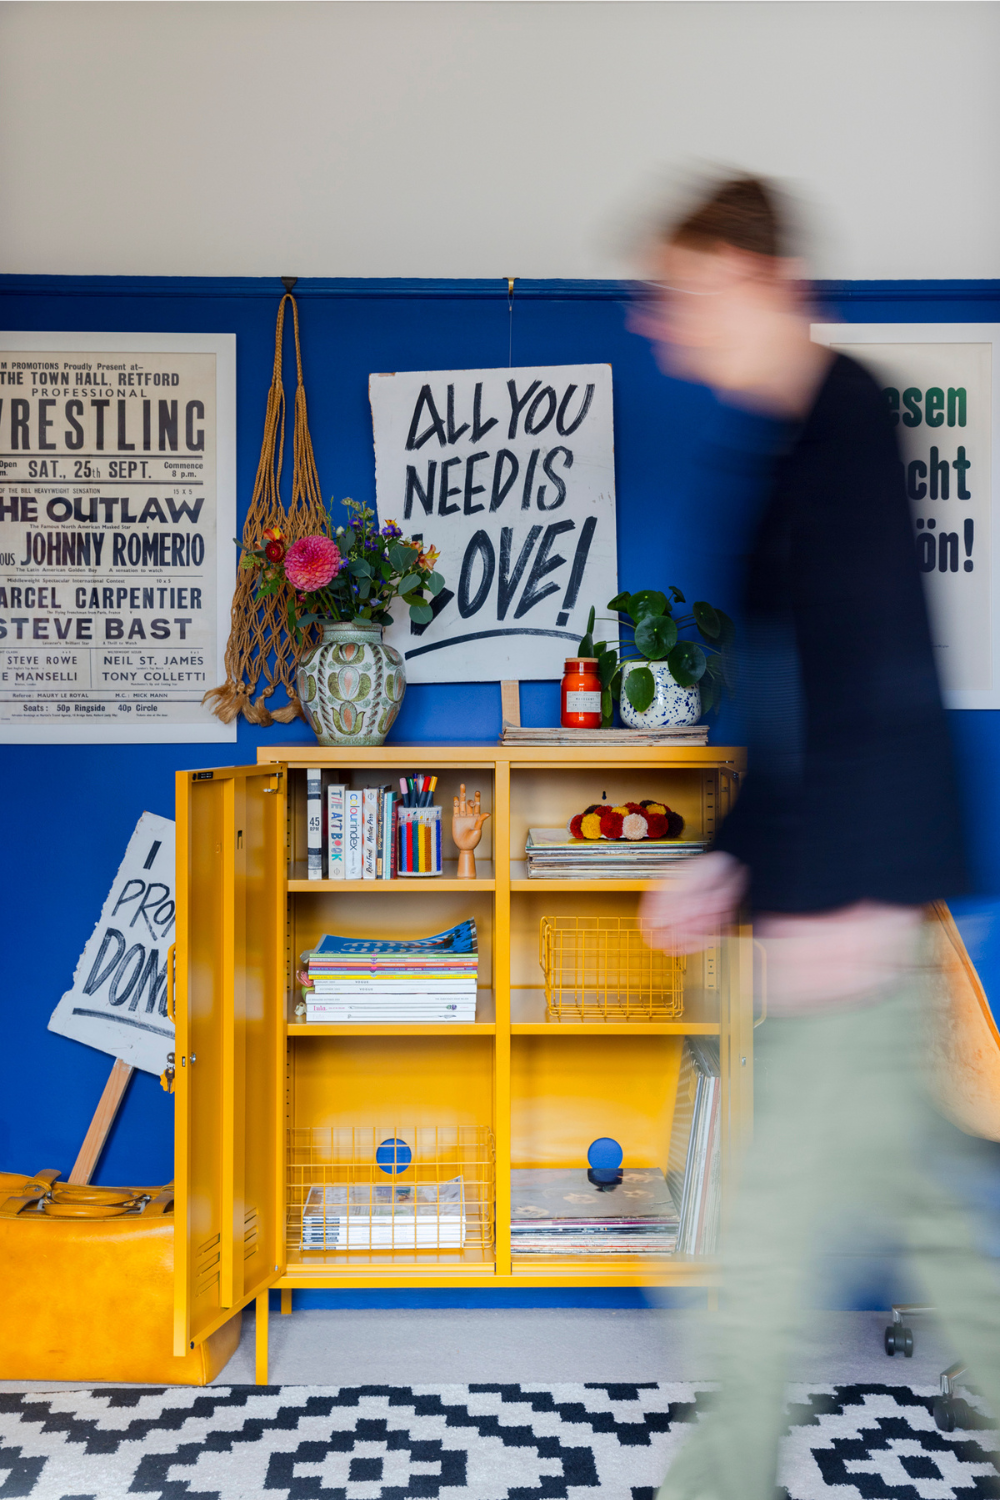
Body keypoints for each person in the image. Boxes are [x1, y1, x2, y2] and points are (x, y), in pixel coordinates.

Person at [637, 176, 1000, 1500]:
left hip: (849, 904)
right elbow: (783, 703)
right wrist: (726, 856)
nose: (663, 326)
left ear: (757, 279)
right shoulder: (788, 446)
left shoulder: (847, 428)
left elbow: (880, 676)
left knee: (771, 1218)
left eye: (682, 295)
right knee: (914, 1204)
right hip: (837, 885)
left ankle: (720, 1479)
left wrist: (841, 904)